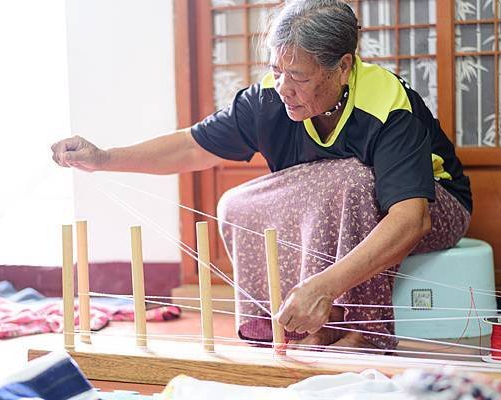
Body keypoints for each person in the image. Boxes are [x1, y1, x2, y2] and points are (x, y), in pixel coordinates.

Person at [51, 0, 471, 351]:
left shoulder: (387, 106)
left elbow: (412, 218)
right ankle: (281, 330)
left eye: (299, 77)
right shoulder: (270, 97)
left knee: (351, 180)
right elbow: (191, 146)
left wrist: (324, 285)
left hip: (436, 204)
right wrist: (103, 157)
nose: (284, 86)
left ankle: (354, 330)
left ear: (343, 67)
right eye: (277, 70)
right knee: (240, 202)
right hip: (356, 205)